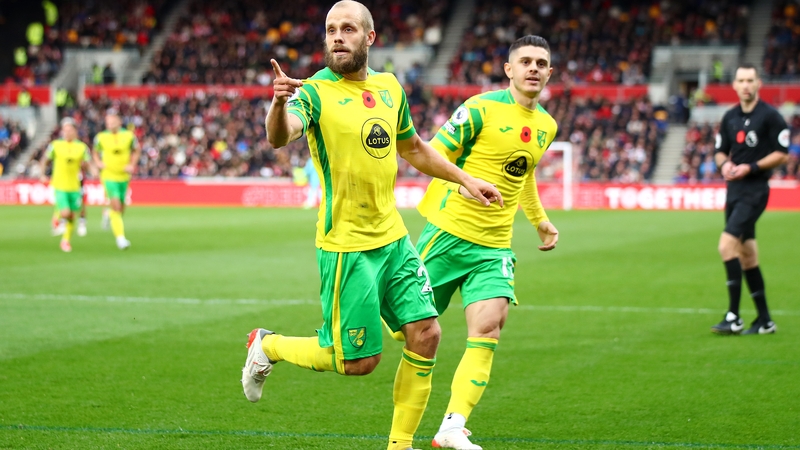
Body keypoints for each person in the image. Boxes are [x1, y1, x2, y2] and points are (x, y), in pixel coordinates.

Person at [240, 2, 503, 450]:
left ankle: (399, 446)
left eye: (347, 29)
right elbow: (281, 134)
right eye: (330, 30)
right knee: (360, 362)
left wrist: (465, 178)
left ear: (369, 38)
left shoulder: (388, 87)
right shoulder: (314, 91)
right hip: (347, 247)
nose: (337, 37)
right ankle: (268, 346)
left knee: (427, 334)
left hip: (394, 240)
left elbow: (414, 148)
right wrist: (278, 103)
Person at [415, 35, 559, 449]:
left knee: (489, 327)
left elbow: (524, 172)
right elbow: (432, 152)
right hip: (447, 234)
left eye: (541, 63)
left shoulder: (547, 125)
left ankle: (452, 427)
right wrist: (463, 185)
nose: (533, 68)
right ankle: (279, 347)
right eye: (526, 61)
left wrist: (540, 220)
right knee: (401, 330)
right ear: (509, 70)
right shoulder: (479, 108)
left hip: (494, 245)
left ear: (549, 73)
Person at [711, 63, 790, 335]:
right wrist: (724, 166)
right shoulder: (729, 117)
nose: (745, 85)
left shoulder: (770, 116)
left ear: (759, 84)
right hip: (733, 192)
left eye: (750, 80)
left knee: (725, 246)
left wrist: (751, 167)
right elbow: (720, 151)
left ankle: (733, 316)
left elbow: (783, 152)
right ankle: (765, 320)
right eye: (741, 80)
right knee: (747, 255)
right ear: (734, 85)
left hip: (755, 191)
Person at [39, 118, 91, 252]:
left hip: (75, 187)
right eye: (65, 130)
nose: (67, 133)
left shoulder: (81, 147)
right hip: (60, 185)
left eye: (70, 130)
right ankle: (57, 217)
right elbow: (45, 159)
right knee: (66, 213)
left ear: (75, 131)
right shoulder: (55, 145)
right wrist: (42, 174)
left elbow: (88, 164)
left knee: (72, 216)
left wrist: (91, 170)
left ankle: (65, 241)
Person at [92, 110, 140, 250]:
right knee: (116, 206)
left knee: (121, 208)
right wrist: (98, 162)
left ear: (119, 121)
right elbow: (94, 151)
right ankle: (120, 239)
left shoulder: (129, 136)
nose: (110, 124)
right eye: (108, 122)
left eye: (113, 121)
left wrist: (132, 164)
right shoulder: (101, 137)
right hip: (108, 175)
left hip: (124, 176)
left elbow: (137, 150)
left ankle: (108, 214)